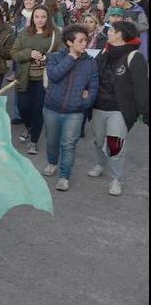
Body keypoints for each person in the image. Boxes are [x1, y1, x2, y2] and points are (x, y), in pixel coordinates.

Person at [88, 21, 149, 196]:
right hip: (98, 105)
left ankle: (117, 179)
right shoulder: (105, 50)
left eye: (112, 30)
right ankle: (101, 164)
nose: (108, 32)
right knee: (99, 141)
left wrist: (146, 113)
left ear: (120, 34)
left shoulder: (135, 57)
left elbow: (142, 88)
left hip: (120, 109)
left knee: (115, 144)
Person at [41, 26, 99, 191]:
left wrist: (83, 104)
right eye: (80, 41)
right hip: (52, 108)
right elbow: (54, 76)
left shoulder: (90, 62)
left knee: (68, 144)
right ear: (69, 42)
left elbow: (93, 88)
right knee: (52, 141)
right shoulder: (55, 57)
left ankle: (64, 176)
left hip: (75, 112)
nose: (84, 44)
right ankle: (52, 163)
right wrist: (71, 58)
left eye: (85, 40)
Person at [10, 5, 62, 155]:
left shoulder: (55, 33)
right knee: (23, 107)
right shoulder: (24, 33)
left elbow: (62, 53)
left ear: (48, 18)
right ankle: (29, 127)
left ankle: (33, 141)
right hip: (24, 77)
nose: (40, 20)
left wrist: (48, 57)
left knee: (38, 109)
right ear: (32, 18)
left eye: (43, 17)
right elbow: (14, 53)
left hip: (44, 79)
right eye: (37, 17)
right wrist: (29, 53)